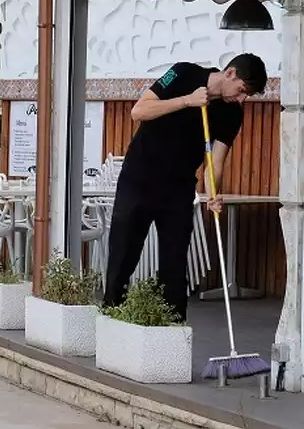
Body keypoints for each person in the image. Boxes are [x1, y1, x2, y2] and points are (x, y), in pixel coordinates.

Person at [102, 53, 268, 322]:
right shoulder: (182, 74)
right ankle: (109, 316)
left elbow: (216, 159)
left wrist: (212, 193)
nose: (242, 99)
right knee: (123, 256)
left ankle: (174, 330)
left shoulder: (231, 113)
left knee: (175, 265)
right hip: (139, 179)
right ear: (230, 74)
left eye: (247, 96)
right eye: (242, 91)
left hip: (178, 190)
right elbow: (139, 111)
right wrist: (187, 101)